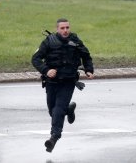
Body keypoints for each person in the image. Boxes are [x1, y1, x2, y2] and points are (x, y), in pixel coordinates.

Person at [32, 18, 94, 153]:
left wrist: (89, 69)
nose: (65, 30)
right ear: (57, 29)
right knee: (52, 111)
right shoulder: (49, 41)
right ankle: (69, 110)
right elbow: (35, 59)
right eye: (62, 28)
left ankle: (53, 138)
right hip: (51, 82)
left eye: (67, 28)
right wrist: (46, 70)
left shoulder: (75, 41)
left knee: (58, 109)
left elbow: (86, 56)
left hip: (68, 81)